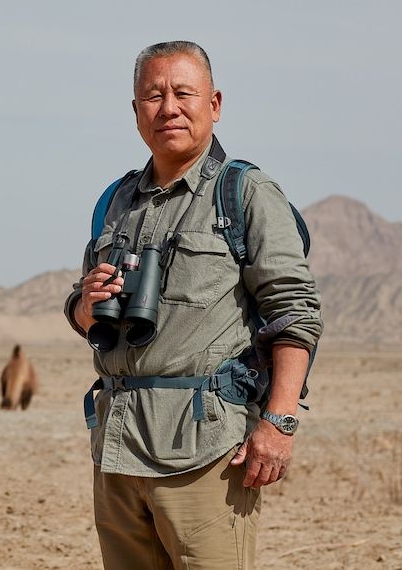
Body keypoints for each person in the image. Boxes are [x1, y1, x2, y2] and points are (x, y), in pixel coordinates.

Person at [63, 41, 322, 569]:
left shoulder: (244, 194)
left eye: (184, 93)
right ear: (135, 110)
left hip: (205, 452)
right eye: (152, 96)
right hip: (117, 447)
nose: (168, 108)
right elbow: (82, 309)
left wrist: (280, 422)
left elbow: (294, 312)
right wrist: (85, 308)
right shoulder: (115, 201)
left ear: (215, 104)